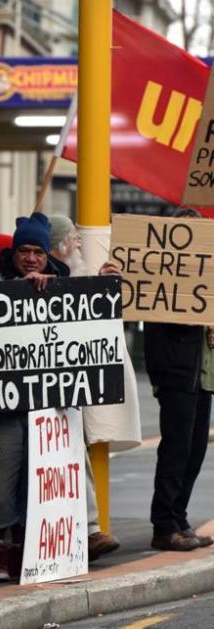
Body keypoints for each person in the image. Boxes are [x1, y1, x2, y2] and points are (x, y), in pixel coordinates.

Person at [0, 212, 68, 583]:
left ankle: (27, 553)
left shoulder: (65, 287)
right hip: (2, 405)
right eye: (24, 250)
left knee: (38, 480)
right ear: (13, 253)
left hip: (47, 406)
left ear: (48, 256)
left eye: (38, 252)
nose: (31, 258)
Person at [49, 214, 126, 562]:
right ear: (62, 243)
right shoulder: (37, 281)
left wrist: (101, 286)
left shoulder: (78, 277)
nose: (79, 243)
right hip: (42, 392)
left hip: (68, 389)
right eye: (74, 238)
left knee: (72, 460)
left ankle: (86, 529)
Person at [144, 207, 214, 552]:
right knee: (176, 449)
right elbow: (162, 318)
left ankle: (179, 518)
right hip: (177, 372)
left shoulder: (203, 278)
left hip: (202, 374)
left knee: (196, 449)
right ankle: (164, 524)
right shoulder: (162, 279)